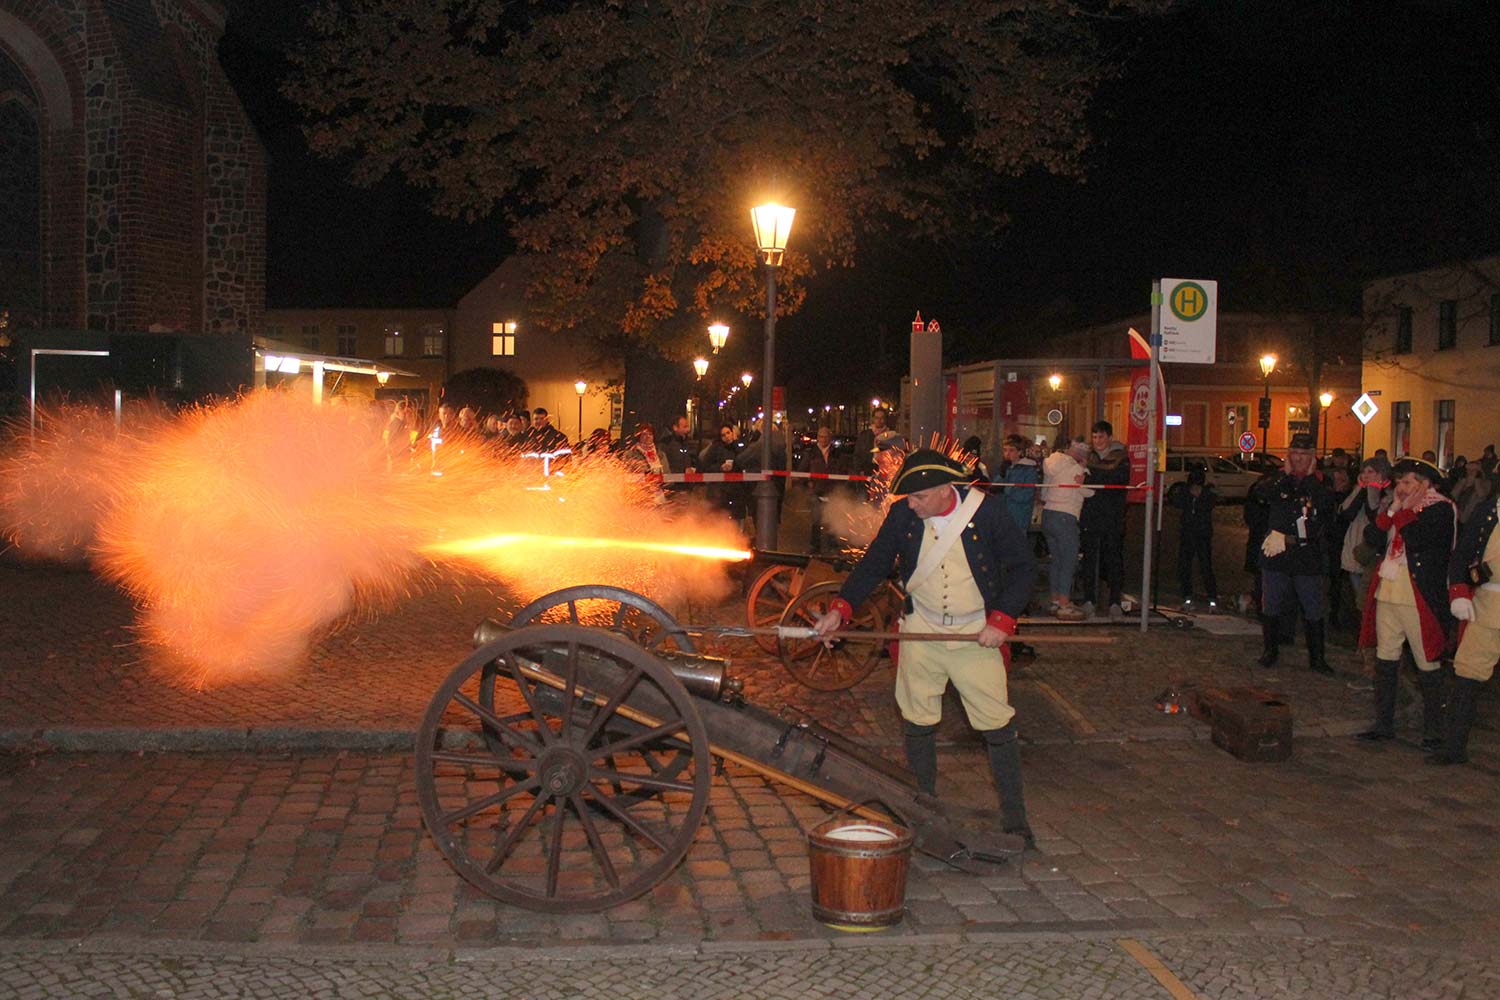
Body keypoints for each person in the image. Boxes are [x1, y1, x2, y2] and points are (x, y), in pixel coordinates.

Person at [810, 449, 1038, 845]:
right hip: (922, 629)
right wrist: (841, 608)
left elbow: (1023, 568)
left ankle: (1016, 820)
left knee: (997, 724)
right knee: (917, 719)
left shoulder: (990, 513)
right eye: (908, 498)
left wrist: (1002, 618)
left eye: (919, 498)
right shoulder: (902, 515)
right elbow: (876, 562)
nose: (910, 505)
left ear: (945, 488)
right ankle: (924, 807)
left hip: (975, 634)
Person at [1355, 457, 1457, 748]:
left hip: (1418, 598)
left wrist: (1400, 513)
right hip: (1388, 593)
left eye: (1408, 482)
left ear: (1425, 485)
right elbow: (1373, 536)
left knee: (1427, 663)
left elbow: (1417, 539)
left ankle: (1433, 730)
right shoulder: (1398, 507)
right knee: (1385, 660)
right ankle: (1384, 724)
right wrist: (1391, 511)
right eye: (1399, 481)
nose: (1400, 487)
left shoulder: (1440, 509)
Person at [1257, 433, 1335, 674]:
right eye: (1295, 454)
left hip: (1306, 552)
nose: (1299, 459)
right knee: (1271, 603)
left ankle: (1317, 658)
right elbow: (1261, 494)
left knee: (1313, 606)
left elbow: (1325, 505)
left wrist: (1310, 478)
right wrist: (1284, 474)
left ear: (1313, 457)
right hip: (1278, 550)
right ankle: (1270, 650)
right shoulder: (1278, 479)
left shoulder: (1321, 482)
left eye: (1304, 455)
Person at [1434, 492, 1500, 764]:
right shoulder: (1489, 509)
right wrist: (1459, 591)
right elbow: (1463, 552)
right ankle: (1454, 747)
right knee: (1468, 673)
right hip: (1489, 602)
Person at [1079, 420, 1130, 619]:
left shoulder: (1121, 457)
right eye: (1094, 437)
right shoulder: (1090, 457)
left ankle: (1114, 601)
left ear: (1108, 437)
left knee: (1113, 559)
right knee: (1090, 559)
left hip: (1113, 516)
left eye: (1100, 436)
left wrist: (1091, 478)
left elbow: (1118, 479)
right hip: (1092, 515)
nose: (1097, 440)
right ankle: (1089, 599)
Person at [1041, 437, 1091, 621]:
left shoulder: (1051, 461)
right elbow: (1089, 491)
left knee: (1056, 560)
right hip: (1066, 515)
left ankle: (1055, 600)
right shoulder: (1076, 467)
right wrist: (1084, 473)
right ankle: (1064, 603)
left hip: (1048, 514)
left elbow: (1044, 490)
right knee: (1068, 561)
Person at [1170, 465, 1218, 610]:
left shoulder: (1208, 495)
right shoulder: (1186, 494)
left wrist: (1200, 496)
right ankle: (1187, 596)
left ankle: (1212, 597)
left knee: (1205, 567)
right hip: (1188, 534)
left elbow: (1211, 503)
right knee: (1185, 566)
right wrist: (1187, 494)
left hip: (1202, 535)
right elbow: (1175, 501)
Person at [799, 426, 844, 553]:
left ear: (830, 438)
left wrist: (839, 486)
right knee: (816, 518)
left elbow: (842, 470)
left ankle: (832, 545)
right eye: (821, 436)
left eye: (826, 436)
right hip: (817, 490)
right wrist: (808, 483)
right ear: (818, 437)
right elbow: (802, 471)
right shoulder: (811, 453)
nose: (824, 439)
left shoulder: (836, 453)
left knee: (832, 518)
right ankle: (815, 545)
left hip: (831, 490)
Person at [998, 434, 1039, 533]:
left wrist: (1008, 489)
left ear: (1019, 452)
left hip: (1019, 516)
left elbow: (1026, 495)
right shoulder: (1006, 468)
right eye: (1005, 450)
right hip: (1003, 516)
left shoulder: (1028, 470)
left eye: (1011, 450)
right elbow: (995, 489)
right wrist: (1001, 476)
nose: (1007, 454)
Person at [854, 408, 897, 479]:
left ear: (885, 419)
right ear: (873, 419)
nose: (879, 420)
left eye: (882, 418)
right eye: (877, 418)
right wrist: (859, 469)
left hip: (885, 470)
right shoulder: (865, 435)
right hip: (867, 470)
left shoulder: (891, 435)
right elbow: (858, 454)